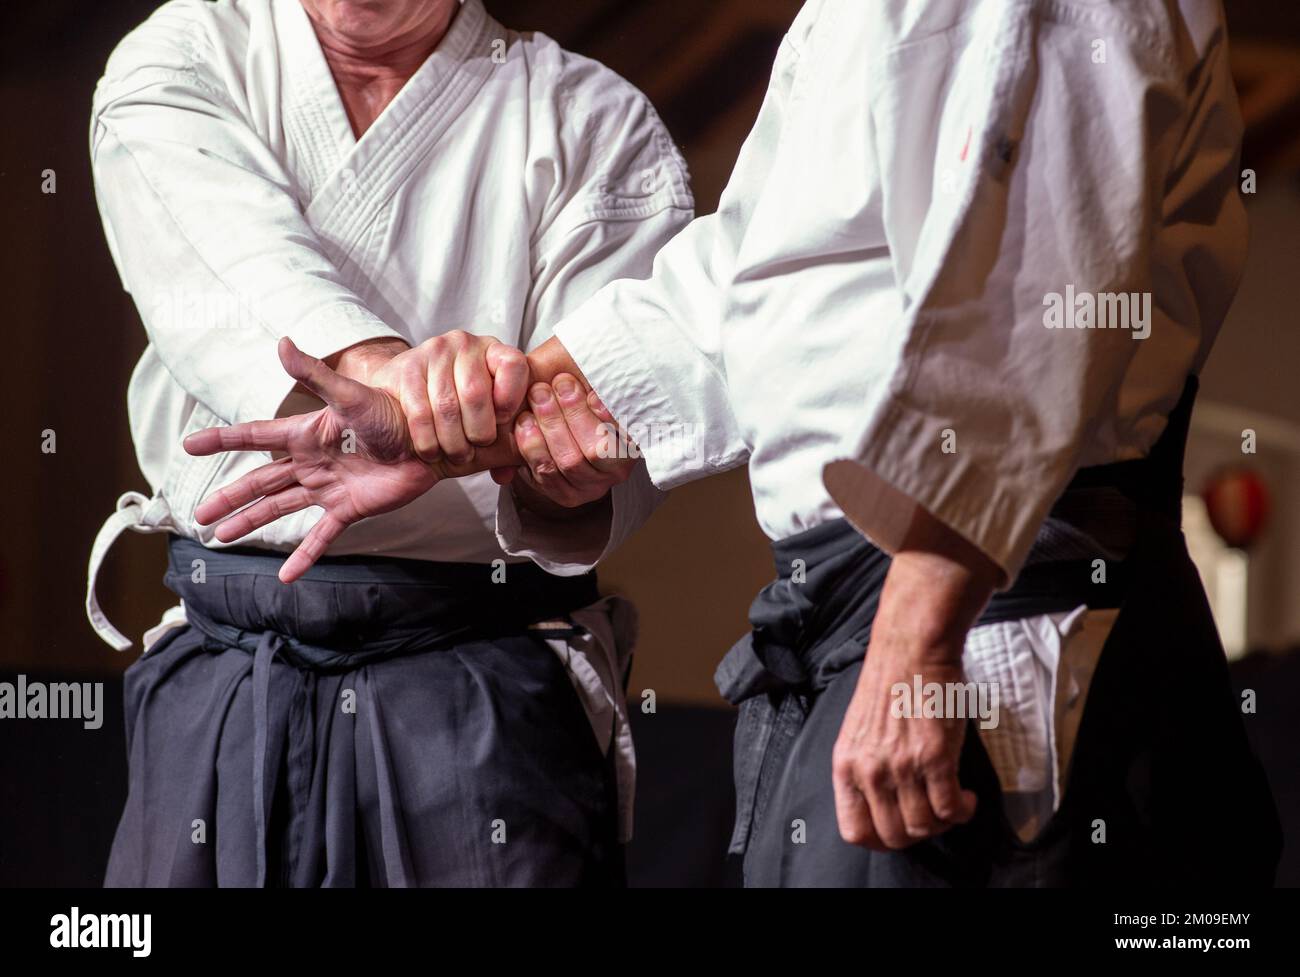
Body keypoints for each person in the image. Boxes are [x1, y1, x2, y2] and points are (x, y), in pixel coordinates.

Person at [191, 0, 1282, 886]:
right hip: (864, 600)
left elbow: (1026, 301)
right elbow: (737, 290)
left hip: (978, 587)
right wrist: (470, 426)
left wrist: (917, 643)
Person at [86, 0, 693, 886]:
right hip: (229, 672)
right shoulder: (188, 54)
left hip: (479, 682)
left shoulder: (590, 118)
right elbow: (231, 259)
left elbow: (616, 394)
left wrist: (562, 472)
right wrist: (397, 381)